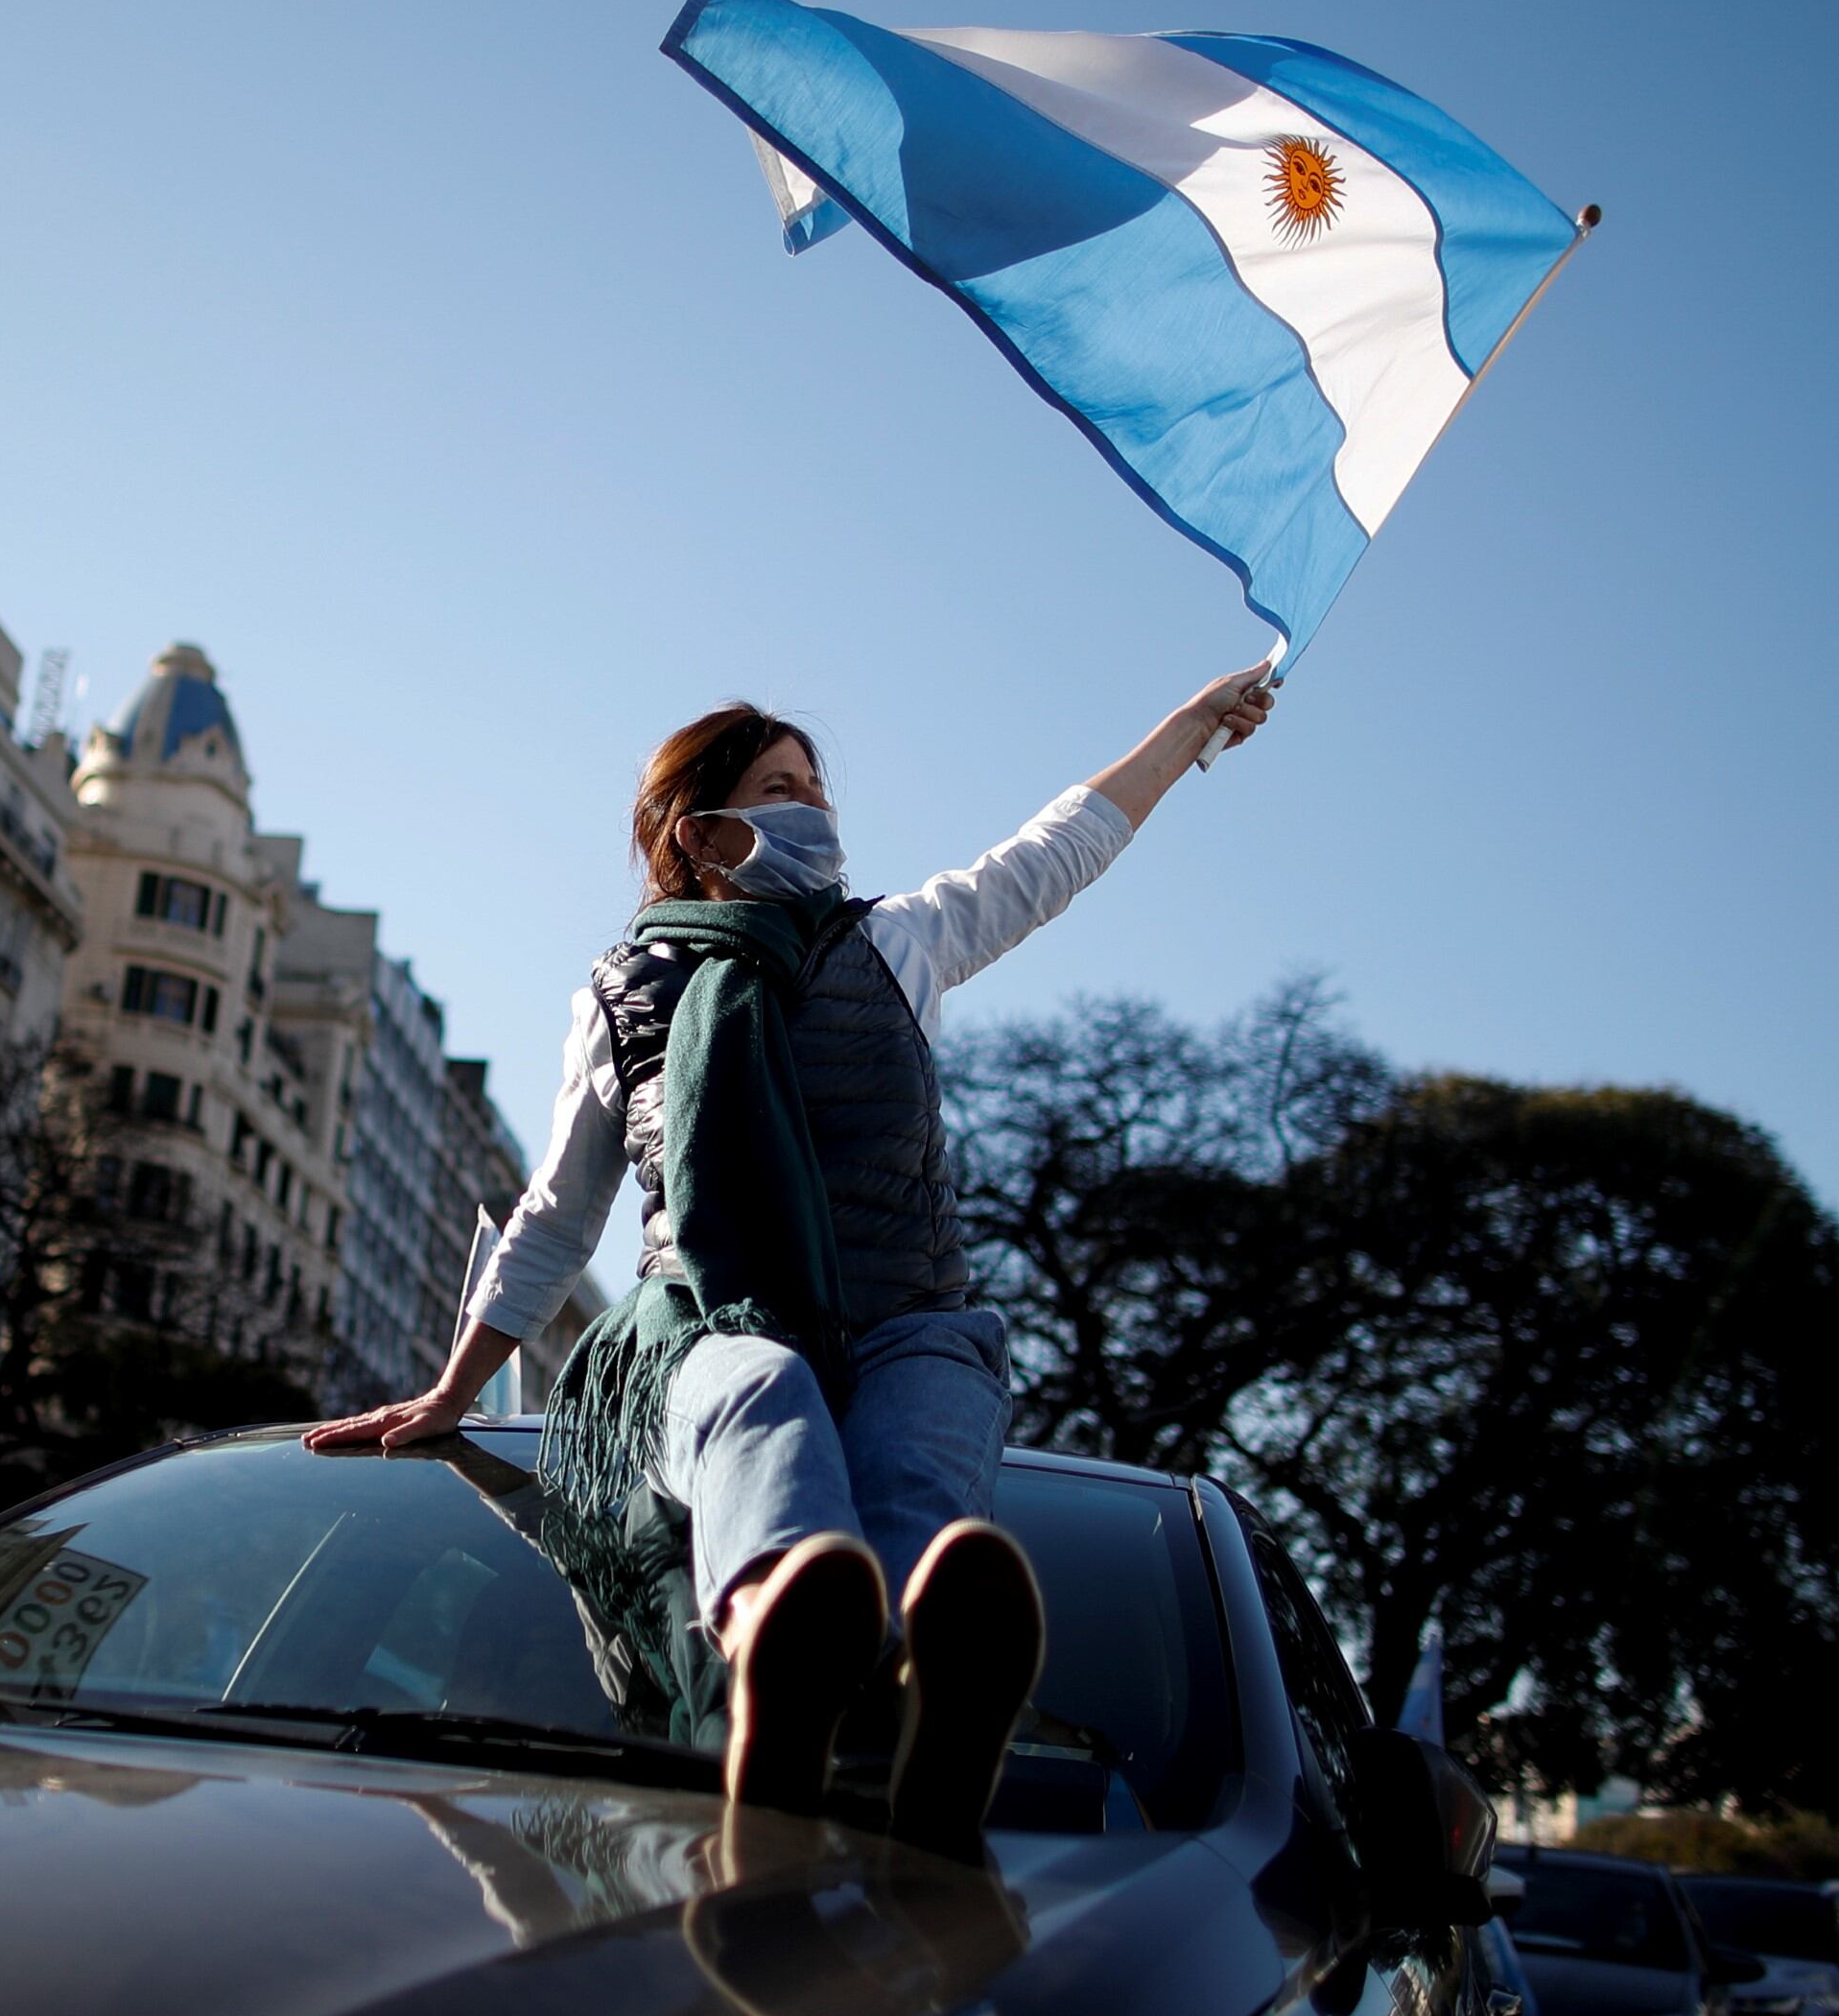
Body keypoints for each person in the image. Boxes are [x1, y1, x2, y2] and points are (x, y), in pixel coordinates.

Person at [314, 670, 1279, 1847]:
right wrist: (452, 1393)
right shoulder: (622, 997)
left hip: (913, 1318)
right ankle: (783, 1626)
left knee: (924, 1464)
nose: (815, 811)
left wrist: (1189, 729)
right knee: (760, 1393)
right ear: (704, 831)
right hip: (711, 1329)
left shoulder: (904, 940)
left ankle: (934, 1686)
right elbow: (557, 1220)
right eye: (781, 789)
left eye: (820, 790)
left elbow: (1059, 845)